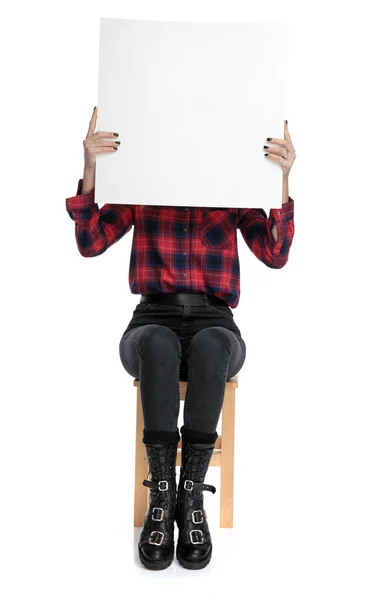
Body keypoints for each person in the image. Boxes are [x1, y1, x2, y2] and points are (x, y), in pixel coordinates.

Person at [66, 106, 296, 571]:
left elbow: (274, 253)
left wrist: (281, 182)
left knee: (211, 344)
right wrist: (90, 168)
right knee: (160, 343)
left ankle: (190, 501)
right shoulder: (144, 188)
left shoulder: (231, 192)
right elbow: (90, 242)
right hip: (152, 319)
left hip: (216, 323)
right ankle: (161, 495)